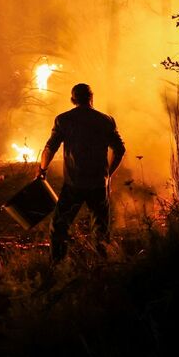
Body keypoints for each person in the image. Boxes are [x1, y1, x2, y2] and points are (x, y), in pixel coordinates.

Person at [37, 82, 126, 264]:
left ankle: (58, 266)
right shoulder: (106, 120)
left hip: (74, 185)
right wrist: (108, 174)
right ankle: (102, 266)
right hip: (98, 185)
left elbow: (49, 148)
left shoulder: (64, 120)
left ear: (72, 100)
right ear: (91, 98)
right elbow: (120, 149)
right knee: (101, 229)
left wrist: (42, 169)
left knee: (60, 227)